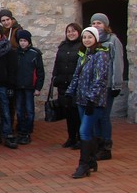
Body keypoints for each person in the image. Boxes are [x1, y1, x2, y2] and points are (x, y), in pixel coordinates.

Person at [65, 27, 110, 178]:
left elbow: (100, 79)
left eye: (90, 37)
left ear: (96, 39)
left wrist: (92, 99)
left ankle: (83, 165)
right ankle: (91, 161)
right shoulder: (84, 55)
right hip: (81, 99)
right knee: (88, 131)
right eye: (84, 37)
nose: (86, 40)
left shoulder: (101, 55)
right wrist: (70, 92)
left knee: (83, 131)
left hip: (94, 101)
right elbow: (76, 76)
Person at [90, 13, 124, 161]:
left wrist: (117, 84)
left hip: (108, 85)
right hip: (95, 86)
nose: (96, 25)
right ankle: (97, 144)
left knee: (104, 116)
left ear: (105, 25)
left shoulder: (112, 40)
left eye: (99, 23)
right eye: (94, 23)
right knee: (95, 116)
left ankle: (106, 147)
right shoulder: (92, 40)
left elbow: (118, 63)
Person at [52, 23, 83, 148]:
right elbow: (57, 63)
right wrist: (55, 77)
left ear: (79, 32)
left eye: (74, 31)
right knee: (68, 112)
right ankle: (71, 137)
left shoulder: (82, 47)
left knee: (77, 112)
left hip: (75, 85)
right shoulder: (62, 46)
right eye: (68, 31)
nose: (71, 33)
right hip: (63, 83)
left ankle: (80, 138)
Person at [14, 30, 44, 145]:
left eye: (25, 41)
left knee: (29, 110)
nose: (22, 43)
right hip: (18, 86)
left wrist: (38, 88)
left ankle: (27, 131)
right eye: (21, 41)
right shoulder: (15, 53)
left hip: (29, 87)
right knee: (19, 110)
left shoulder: (35, 54)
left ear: (29, 42)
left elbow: (40, 72)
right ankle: (21, 131)